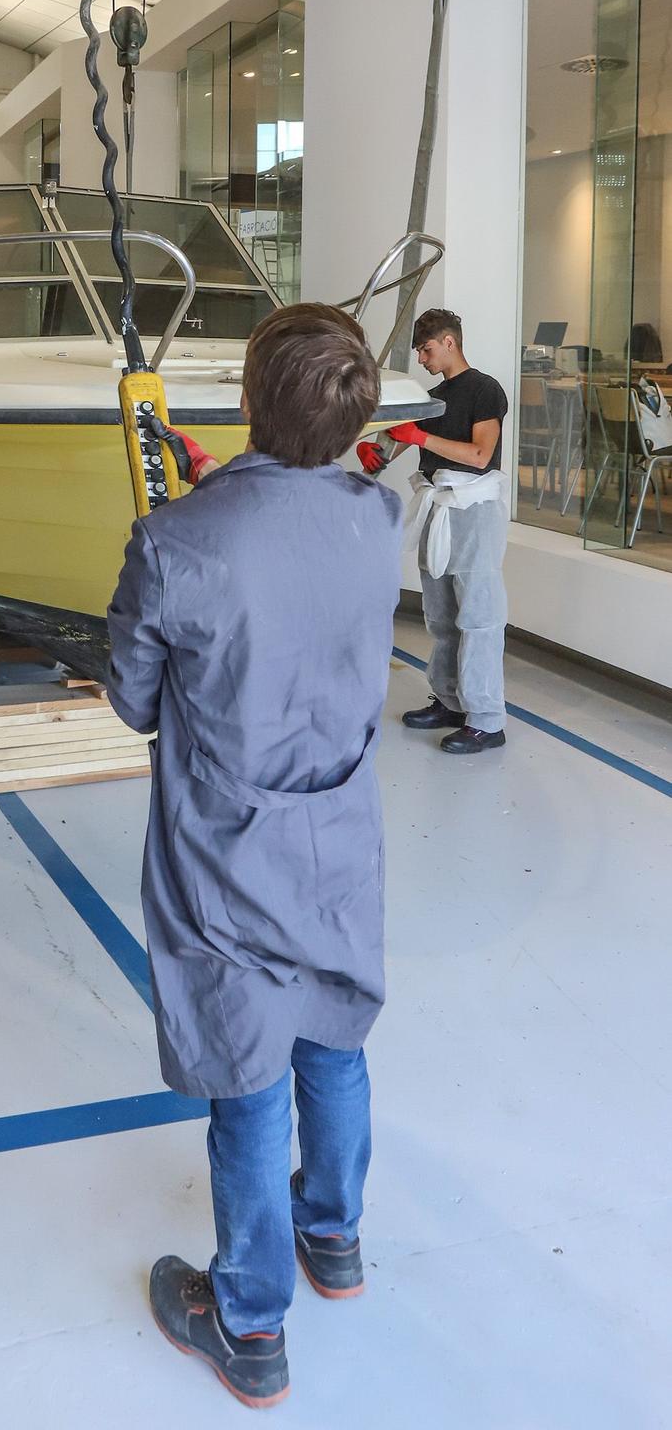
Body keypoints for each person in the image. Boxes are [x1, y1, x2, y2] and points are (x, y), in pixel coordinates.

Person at [108, 305, 402, 1411]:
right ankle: (333, 1236)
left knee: (246, 1080)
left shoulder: (177, 539)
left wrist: (173, 539)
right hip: (338, 838)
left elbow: (136, 696)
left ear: (244, 399)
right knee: (334, 1037)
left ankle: (247, 1318)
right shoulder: (379, 518)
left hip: (226, 850)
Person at [366, 308, 509, 758]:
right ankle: (450, 702)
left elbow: (481, 454)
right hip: (437, 504)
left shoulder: (485, 390)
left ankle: (487, 720)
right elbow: (394, 439)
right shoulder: (432, 398)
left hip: (473, 509)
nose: (422, 358)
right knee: (442, 614)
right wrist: (375, 449)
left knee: (479, 616)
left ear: (449, 342)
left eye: (426, 349)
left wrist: (420, 438)